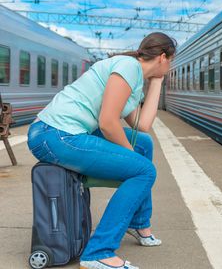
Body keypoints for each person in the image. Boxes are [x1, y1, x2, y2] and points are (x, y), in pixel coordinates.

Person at [27, 32, 177, 269]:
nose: (171, 66)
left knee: (143, 144)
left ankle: (138, 222)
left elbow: (143, 125)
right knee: (143, 171)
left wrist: (157, 82)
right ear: (162, 57)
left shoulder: (136, 79)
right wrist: (130, 156)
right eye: (171, 61)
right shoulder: (127, 67)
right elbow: (107, 122)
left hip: (68, 132)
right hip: (54, 134)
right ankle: (98, 251)